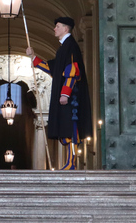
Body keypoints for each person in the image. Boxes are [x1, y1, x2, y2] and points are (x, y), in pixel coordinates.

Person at [26, 16, 92, 170]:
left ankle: (71, 163)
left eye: (57, 26)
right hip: (66, 96)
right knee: (65, 129)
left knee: (70, 129)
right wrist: (33, 57)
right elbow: (54, 69)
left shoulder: (71, 46)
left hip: (71, 97)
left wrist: (65, 93)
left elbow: (72, 70)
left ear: (66, 28)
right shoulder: (64, 47)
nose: (54, 29)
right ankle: (69, 162)